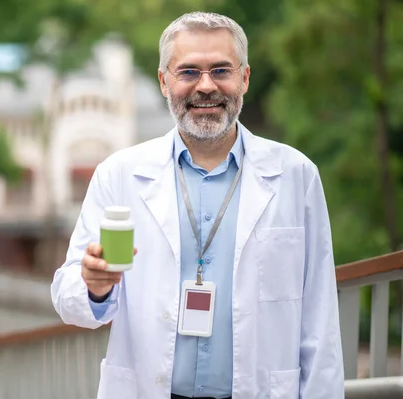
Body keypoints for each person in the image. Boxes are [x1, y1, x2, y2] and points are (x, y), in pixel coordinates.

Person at [51, 11, 344, 399]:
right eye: (188, 72)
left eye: (221, 70)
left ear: (245, 78)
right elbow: (68, 298)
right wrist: (94, 287)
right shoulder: (118, 174)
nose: (206, 86)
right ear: (163, 81)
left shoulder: (295, 175)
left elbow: (320, 317)